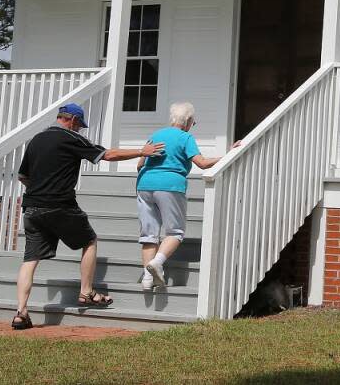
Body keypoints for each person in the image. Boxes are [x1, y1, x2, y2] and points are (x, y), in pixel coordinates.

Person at [12, 103, 164, 330]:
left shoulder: (36, 139)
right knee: (89, 241)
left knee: (30, 259)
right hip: (60, 205)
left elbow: (23, 176)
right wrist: (142, 152)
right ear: (72, 120)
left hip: (32, 207)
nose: (80, 130)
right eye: (79, 126)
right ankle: (86, 292)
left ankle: (21, 313)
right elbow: (107, 155)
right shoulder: (69, 137)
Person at [135, 102, 222, 290]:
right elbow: (203, 163)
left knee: (149, 235)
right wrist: (228, 154)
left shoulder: (156, 135)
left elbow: (139, 164)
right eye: (193, 122)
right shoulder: (185, 137)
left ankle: (147, 280)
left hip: (144, 185)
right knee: (175, 232)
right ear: (188, 120)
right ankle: (157, 263)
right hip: (170, 186)